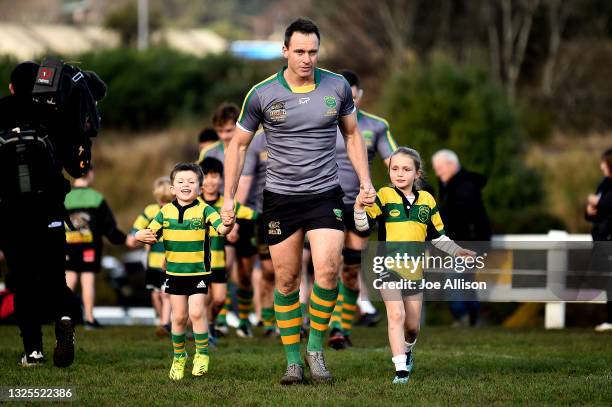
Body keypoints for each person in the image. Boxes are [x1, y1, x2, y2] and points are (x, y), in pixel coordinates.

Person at [221, 18, 375, 384]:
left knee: (327, 270)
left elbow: (352, 137)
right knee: (287, 280)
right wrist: (228, 199)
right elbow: (237, 145)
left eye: (313, 51)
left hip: (325, 194)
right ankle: (293, 361)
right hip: (280, 199)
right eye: (300, 51)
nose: (307, 59)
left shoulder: (337, 86)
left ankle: (316, 350)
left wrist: (366, 182)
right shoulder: (261, 93)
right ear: (285, 51)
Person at [0, 59, 106, 367]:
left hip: (10, 212)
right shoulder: (54, 114)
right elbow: (76, 167)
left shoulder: (1, 111)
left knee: (21, 280)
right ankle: (63, 317)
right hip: (49, 210)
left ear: (10, 87)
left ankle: (33, 351)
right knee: (53, 276)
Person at [354, 147, 475, 384]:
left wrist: (458, 250)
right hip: (387, 267)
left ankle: (408, 351)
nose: (400, 173)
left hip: (414, 271)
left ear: (417, 174)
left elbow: (438, 236)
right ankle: (400, 370)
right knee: (395, 315)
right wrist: (359, 208)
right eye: (395, 168)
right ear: (389, 172)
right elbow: (363, 227)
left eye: (406, 169)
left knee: (412, 327)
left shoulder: (427, 201)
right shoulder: (384, 196)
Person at [135, 163, 233, 380]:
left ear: (199, 187)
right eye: (180, 182)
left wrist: (229, 223)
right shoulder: (165, 212)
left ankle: (202, 354)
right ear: (172, 188)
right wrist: (139, 236)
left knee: (197, 312)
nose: (185, 185)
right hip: (174, 274)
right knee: (178, 318)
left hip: (198, 272)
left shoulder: (206, 210)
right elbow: (148, 233)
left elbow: (222, 229)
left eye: (191, 182)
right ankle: (179, 357)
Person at [328, 69, 398, 350]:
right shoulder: (320, 123)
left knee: (351, 269)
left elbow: (394, 161)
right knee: (329, 267)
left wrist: (414, 189)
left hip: (359, 205)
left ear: (359, 95)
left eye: (353, 97)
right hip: (326, 202)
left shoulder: (376, 126)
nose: (349, 101)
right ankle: (331, 325)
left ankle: (342, 328)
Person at [199, 103, 259, 337]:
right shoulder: (209, 153)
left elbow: (242, 184)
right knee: (224, 265)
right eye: (221, 131)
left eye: (230, 131)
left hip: (242, 213)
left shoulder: (248, 149)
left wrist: (233, 221)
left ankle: (243, 319)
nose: (226, 136)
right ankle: (220, 321)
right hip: (217, 216)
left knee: (244, 274)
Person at [432, 149, 491, 326]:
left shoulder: (463, 186)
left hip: (466, 241)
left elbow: (459, 215)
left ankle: (462, 316)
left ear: (452, 164)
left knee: (454, 280)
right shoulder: (456, 185)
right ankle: (473, 317)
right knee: (465, 280)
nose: (438, 172)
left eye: (440, 167)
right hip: (469, 241)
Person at [64, 167, 128, 329]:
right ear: (90, 174)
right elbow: (109, 227)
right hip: (89, 248)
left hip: (67, 246)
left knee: (68, 281)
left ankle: (63, 318)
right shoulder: (96, 198)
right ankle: (90, 319)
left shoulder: (64, 197)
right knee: (88, 282)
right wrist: (123, 239)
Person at [235, 130, 278, 336]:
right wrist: (233, 216)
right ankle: (269, 322)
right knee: (269, 271)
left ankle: (296, 320)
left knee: (294, 268)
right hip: (265, 215)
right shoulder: (257, 142)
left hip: (297, 210)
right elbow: (245, 180)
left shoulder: (299, 131)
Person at [127, 176, 174, 337]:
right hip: (152, 261)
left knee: (165, 293)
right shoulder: (150, 211)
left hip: (169, 261)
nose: (164, 205)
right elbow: (136, 228)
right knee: (155, 294)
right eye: (161, 201)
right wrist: (135, 237)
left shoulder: (177, 211)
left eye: (167, 201)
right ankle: (163, 320)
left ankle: (165, 324)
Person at [585, 148, 612, 332]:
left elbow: (607, 205)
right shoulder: (604, 184)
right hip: (603, 238)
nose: (601, 166)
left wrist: (598, 203)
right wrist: (589, 210)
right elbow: (596, 211)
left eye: (604, 162)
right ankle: (610, 320)